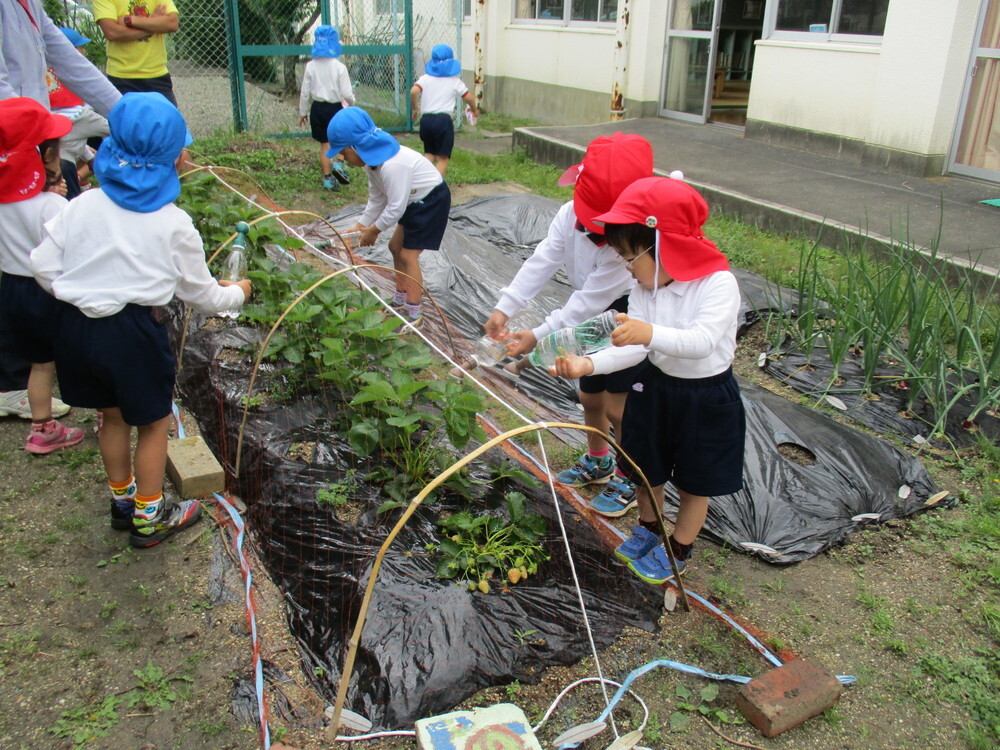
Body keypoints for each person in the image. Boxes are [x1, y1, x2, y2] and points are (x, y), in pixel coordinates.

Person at [31, 93, 251, 546]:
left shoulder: (82, 205)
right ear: (170, 161)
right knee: (154, 425)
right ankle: (150, 517)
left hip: (76, 330)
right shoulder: (172, 223)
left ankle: (123, 501)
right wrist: (239, 293)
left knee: (111, 419)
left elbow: (40, 264)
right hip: (132, 334)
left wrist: (77, 293)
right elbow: (204, 296)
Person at [549, 176, 745, 584]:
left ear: (664, 245)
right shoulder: (646, 287)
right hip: (655, 388)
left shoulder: (717, 283)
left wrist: (648, 333)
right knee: (644, 468)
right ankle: (649, 529)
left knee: (695, 481)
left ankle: (679, 548)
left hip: (704, 398)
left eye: (629, 256)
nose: (626, 267)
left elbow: (703, 342)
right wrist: (588, 365)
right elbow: (633, 348)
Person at [483, 133, 653, 516]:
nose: (592, 228)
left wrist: (539, 335)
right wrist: (504, 309)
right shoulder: (570, 216)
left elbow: (588, 301)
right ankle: (599, 460)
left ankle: (628, 475)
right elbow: (542, 260)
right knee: (590, 396)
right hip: (590, 318)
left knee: (619, 409)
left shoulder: (624, 250)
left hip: (627, 318)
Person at [0, 0, 122, 419]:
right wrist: (26, 151)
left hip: (23, 145)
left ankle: (28, 399)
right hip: (14, 143)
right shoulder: (53, 205)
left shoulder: (28, 4)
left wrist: (124, 113)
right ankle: (13, 383)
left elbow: (66, 58)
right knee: (50, 343)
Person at [0, 98, 84, 454]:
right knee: (79, 357)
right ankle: (106, 415)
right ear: (44, 158)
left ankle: (41, 429)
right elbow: (75, 245)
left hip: (13, 292)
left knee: (39, 364)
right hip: (51, 291)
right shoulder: (53, 206)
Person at [327, 106, 449, 328]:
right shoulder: (372, 164)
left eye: (344, 153)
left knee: (408, 256)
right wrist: (359, 226)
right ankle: (400, 300)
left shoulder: (393, 166)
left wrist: (374, 231)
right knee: (395, 248)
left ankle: (414, 315)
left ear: (357, 146)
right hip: (412, 202)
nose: (343, 158)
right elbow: (377, 200)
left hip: (431, 201)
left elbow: (395, 207)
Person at [48, 27, 111, 196]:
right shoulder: (82, 116)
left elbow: (71, 138)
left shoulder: (51, 89)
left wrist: (89, 158)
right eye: (80, 47)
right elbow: (115, 127)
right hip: (64, 168)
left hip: (49, 164)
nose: (84, 50)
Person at [297, 25, 355, 191]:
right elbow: (347, 93)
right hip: (335, 109)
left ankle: (328, 180)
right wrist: (352, 102)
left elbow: (305, 92)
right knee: (342, 139)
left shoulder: (310, 66)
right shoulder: (339, 67)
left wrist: (302, 112)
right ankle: (338, 163)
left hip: (317, 109)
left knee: (325, 144)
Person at [92, 0, 180, 105]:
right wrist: (153, 23)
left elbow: (172, 24)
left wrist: (130, 20)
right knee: (126, 120)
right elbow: (112, 32)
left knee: (168, 120)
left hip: (157, 73)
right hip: (121, 77)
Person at [410, 44, 476, 176]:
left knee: (430, 154)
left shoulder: (425, 78)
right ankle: (435, 186)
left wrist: (415, 108)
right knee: (443, 158)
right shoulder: (455, 81)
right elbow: (469, 98)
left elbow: (413, 91)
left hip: (426, 120)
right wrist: (474, 110)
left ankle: (418, 179)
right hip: (443, 121)